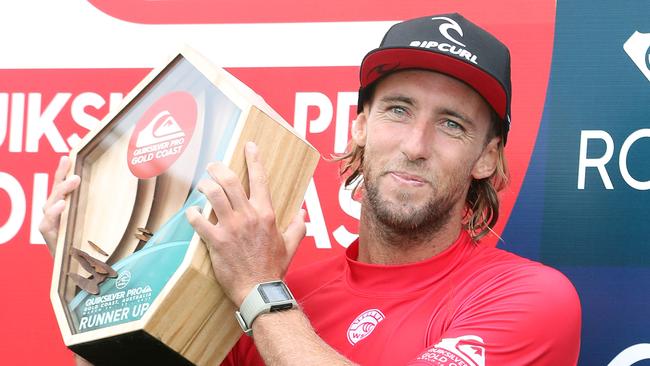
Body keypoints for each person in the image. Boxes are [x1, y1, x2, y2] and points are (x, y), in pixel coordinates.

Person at [42, 13, 581, 365]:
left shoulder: (529, 299)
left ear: (487, 157)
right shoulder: (282, 292)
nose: (416, 144)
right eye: (397, 110)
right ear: (360, 127)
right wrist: (90, 281)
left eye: (452, 124)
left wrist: (257, 288)